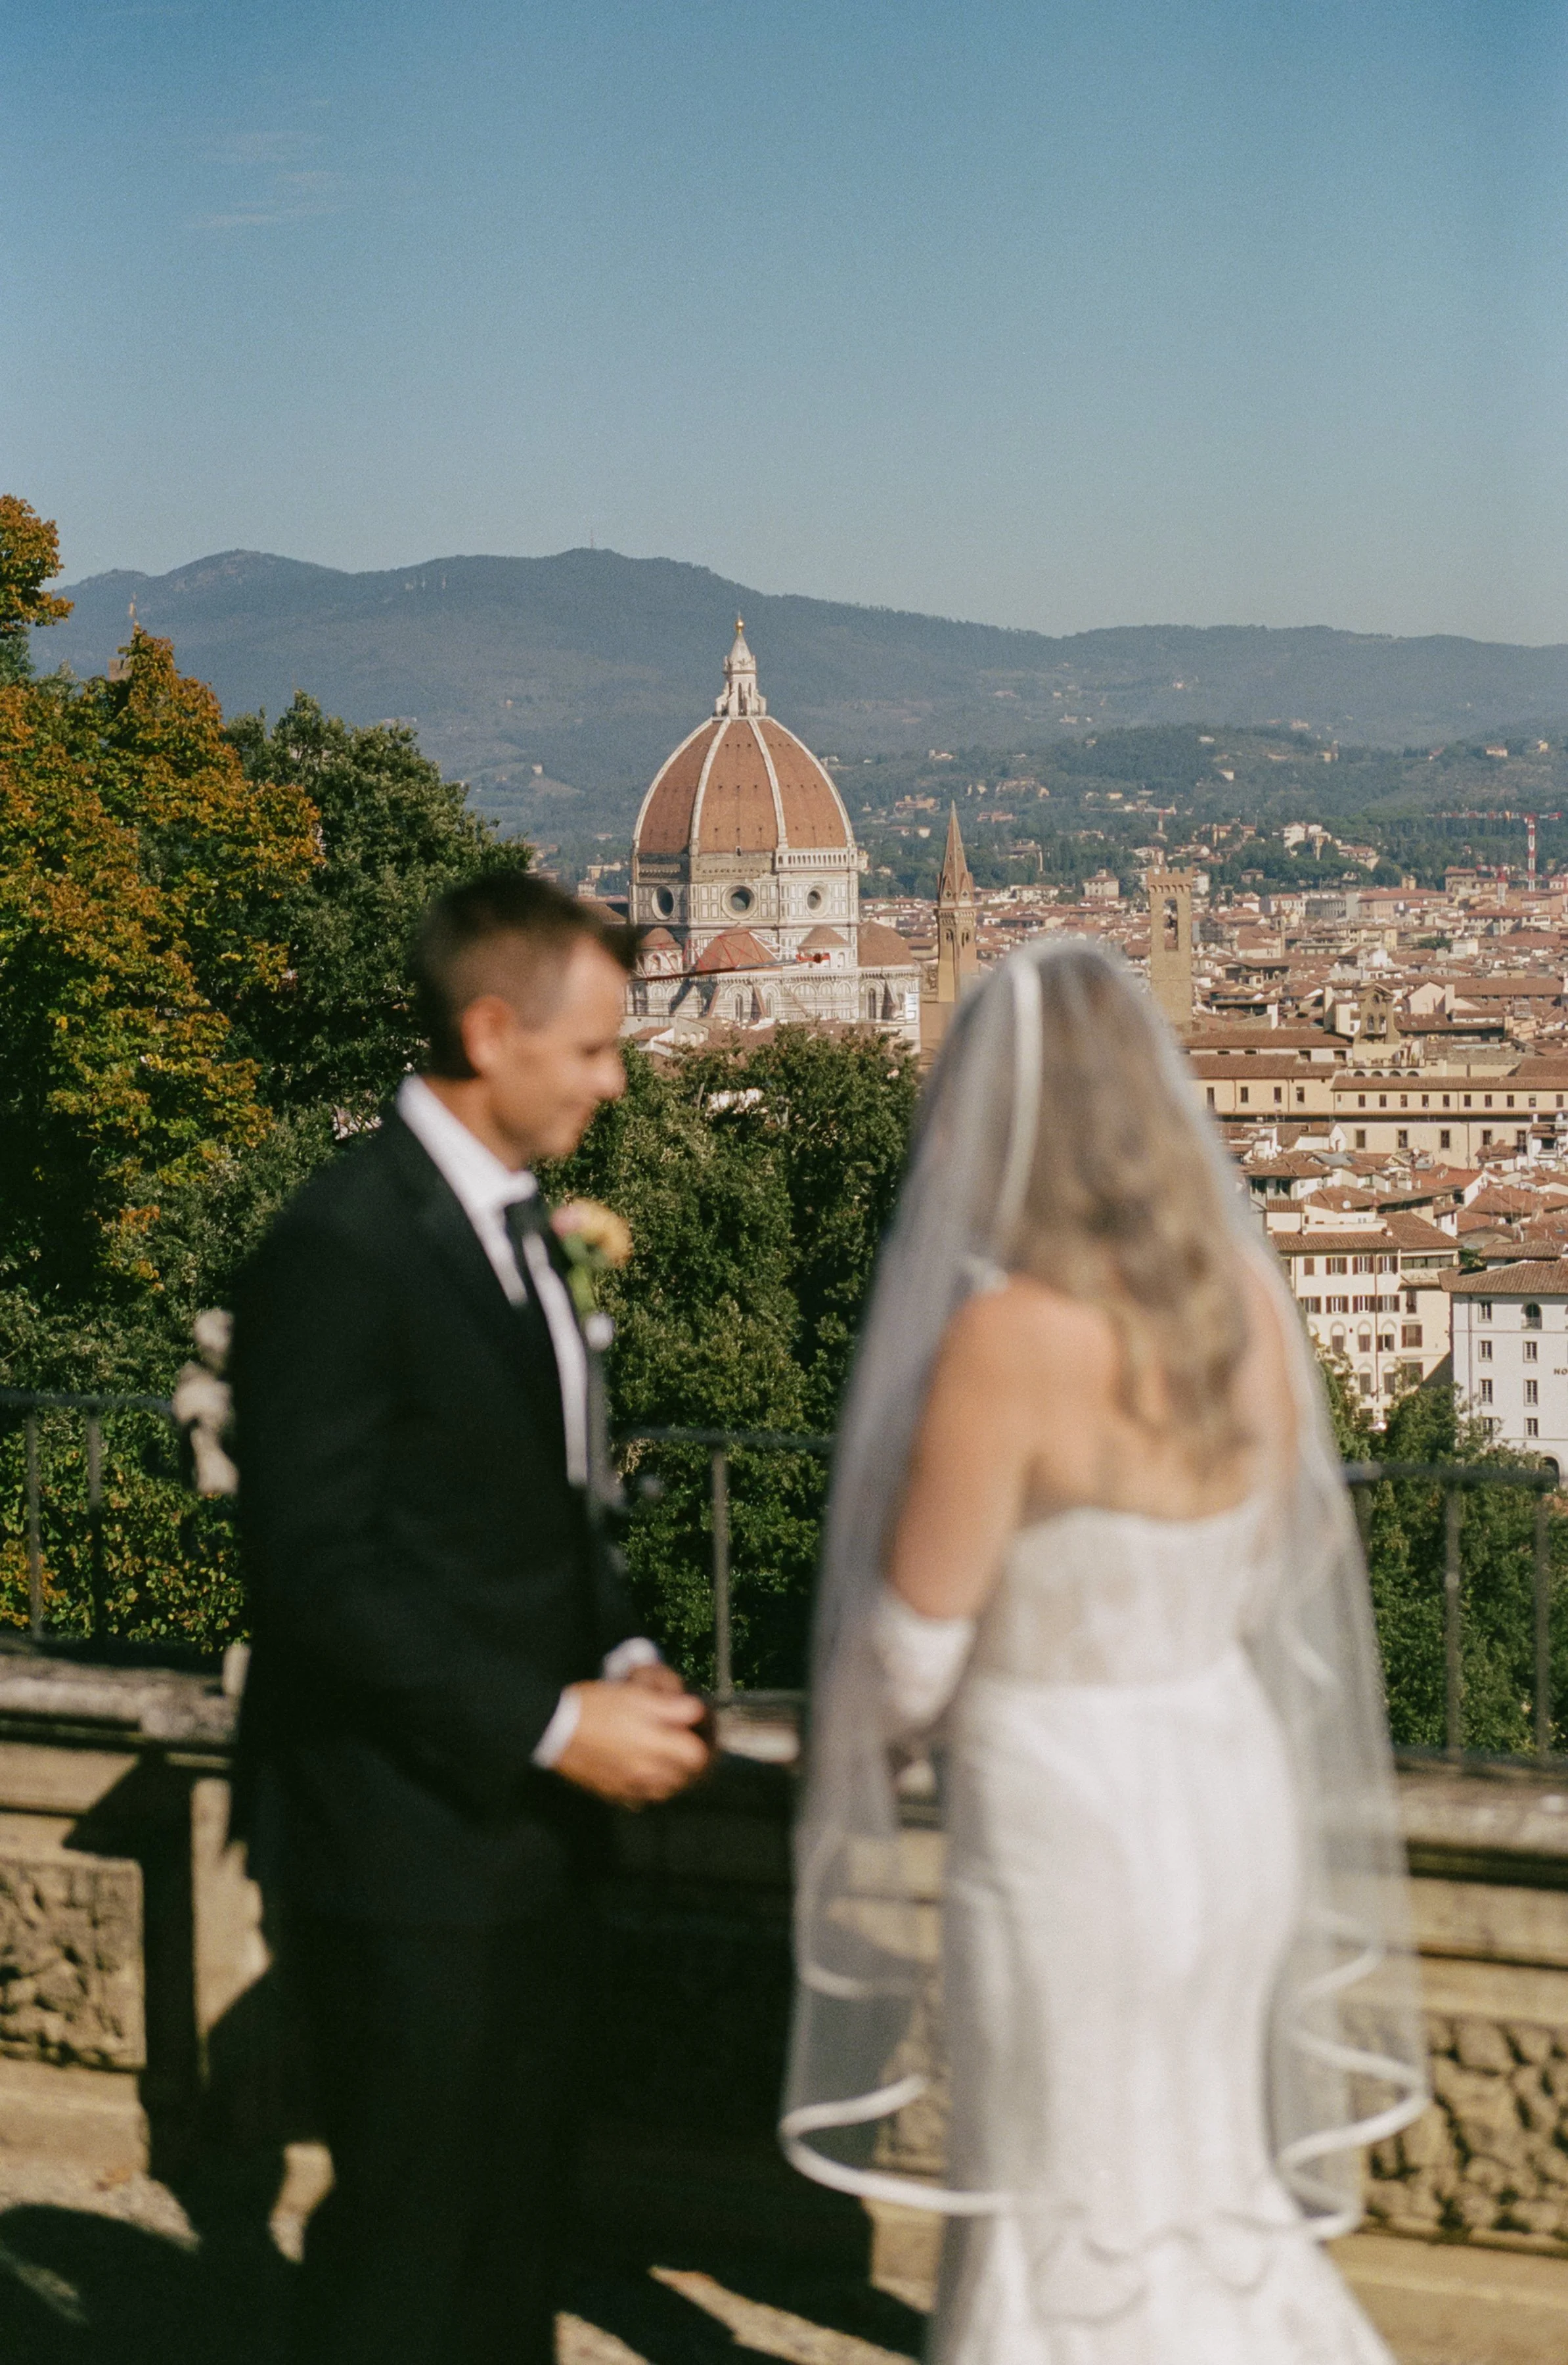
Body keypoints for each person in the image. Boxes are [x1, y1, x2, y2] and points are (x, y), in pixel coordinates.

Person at [782, 941, 1427, 2364]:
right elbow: (1287, 1560)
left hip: (1061, 1807)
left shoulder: (1010, 1339)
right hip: (1220, 1777)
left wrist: (843, 1743)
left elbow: (906, 1652)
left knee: (1066, 2171)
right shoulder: (1242, 1311)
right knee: (1200, 2166)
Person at [231, 869, 711, 2365]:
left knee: (512, 2234)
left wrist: (622, 1651)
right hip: (400, 1837)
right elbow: (313, 1574)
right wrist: (558, 1724)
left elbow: (559, 1504)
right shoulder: (345, 1242)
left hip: (522, 1836)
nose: (615, 1082)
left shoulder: (515, 1232)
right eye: (591, 1051)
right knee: (404, 2249)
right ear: (492, 1032)